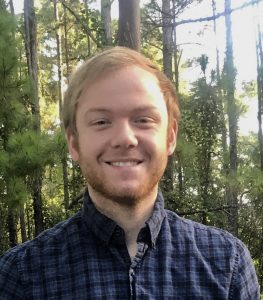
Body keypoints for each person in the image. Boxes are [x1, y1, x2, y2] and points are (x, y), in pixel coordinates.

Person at [0, 47, 260, 299]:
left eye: (143, 119)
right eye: (101, 122)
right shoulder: (21, 276)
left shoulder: (227, 264)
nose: (125, 138)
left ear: (170, 137)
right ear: (74, 143)